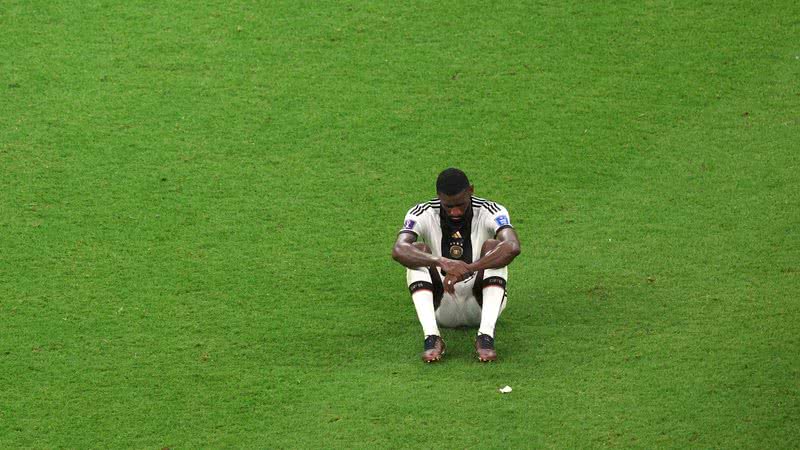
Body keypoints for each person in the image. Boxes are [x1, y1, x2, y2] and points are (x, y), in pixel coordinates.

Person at [391, 168, 521, 362]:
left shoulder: (490, 210)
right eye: (448, 206)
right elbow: (399, 250)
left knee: (495, 248)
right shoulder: (423, 212)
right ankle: (432, 337)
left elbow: (512, 246)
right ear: (439, 197)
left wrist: (468, 268)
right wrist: (441, 261)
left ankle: (485, 336)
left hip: (481, 302)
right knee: (417, 251)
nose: (455, 212)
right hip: (441, 304)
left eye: (460, 204)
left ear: (471, 190)